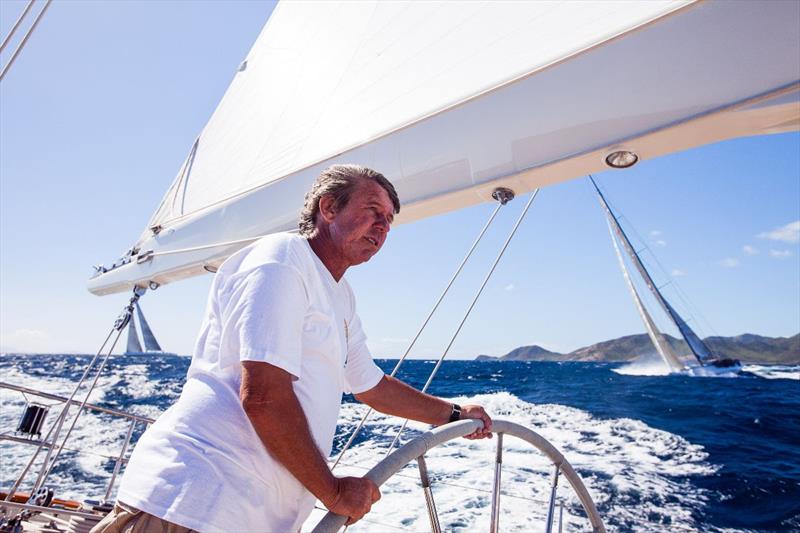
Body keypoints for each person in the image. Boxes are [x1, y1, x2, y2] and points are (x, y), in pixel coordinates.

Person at [92, 164, 492, 533]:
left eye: (389, 221)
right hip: (199, 501)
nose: (382, 227)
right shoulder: (281, 260)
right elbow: (264, 396)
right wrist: (333, 493)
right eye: (372, 211)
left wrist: (455, 413)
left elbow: (370, 386)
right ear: (329, 208)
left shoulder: (340, 295)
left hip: (249, 516)